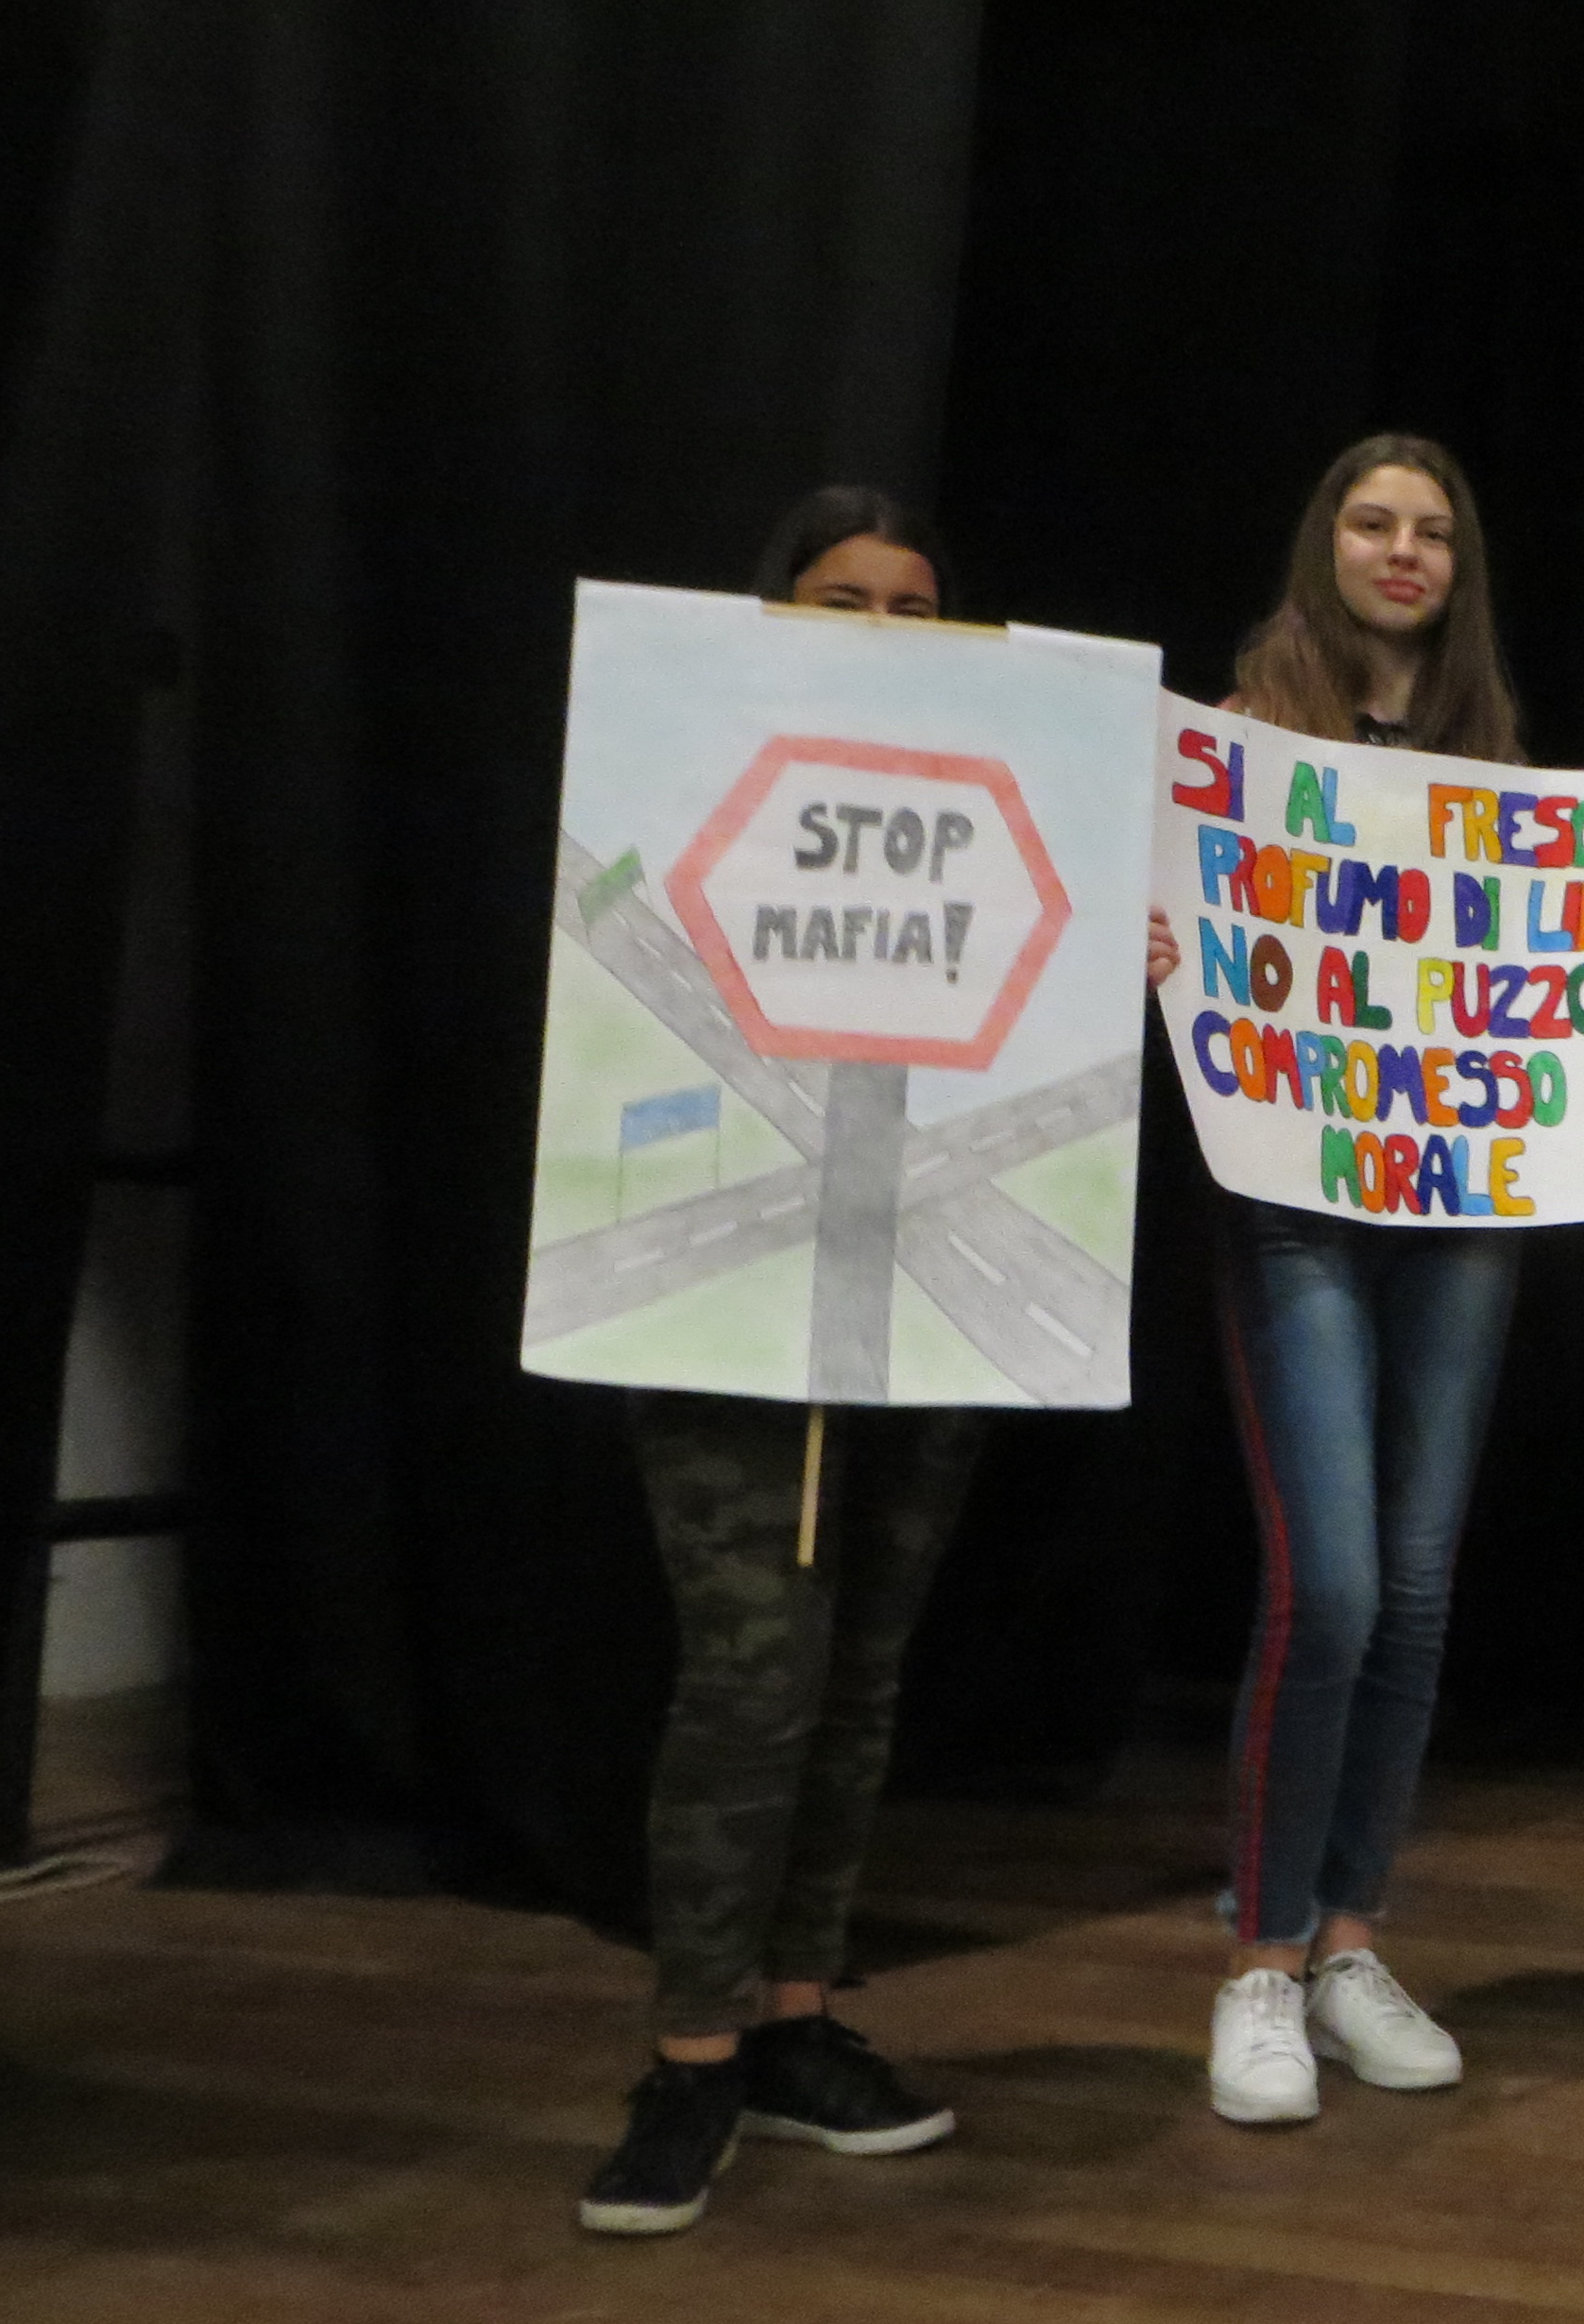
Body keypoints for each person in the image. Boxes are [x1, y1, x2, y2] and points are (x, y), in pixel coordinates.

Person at [580, 487, 992, 2236]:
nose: (881, 630)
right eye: (843, 599)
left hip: (936, 1284)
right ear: (777, 611)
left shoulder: (995, 796)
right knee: (754, 1678)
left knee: (865, 1673)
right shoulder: (680, 769)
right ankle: (692, 2059)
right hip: (726, 1283)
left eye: (914, 607)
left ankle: (796, 2022)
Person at [1141, 434, 1526, 2128]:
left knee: (1420, 1592)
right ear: (1328, 545)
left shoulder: (1498, 766)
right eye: (1374, 523)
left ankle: (1353, 1939)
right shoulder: (1240, 744)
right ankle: (1261, 1959)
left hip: (1462, 1213)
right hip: (1294, 1204)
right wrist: (1160, 944)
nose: (1402, 550)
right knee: (1337, 1588)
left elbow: (1575, 963)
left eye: (1432, 530)